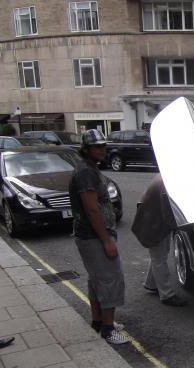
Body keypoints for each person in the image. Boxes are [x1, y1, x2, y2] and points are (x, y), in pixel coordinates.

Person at [69, 129, 129, 345]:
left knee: (97, 281)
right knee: (110, 280)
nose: (102, 150)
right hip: (94, 237)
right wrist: (106, 241)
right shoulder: (86, 172)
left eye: (103, 145)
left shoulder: (88, 168)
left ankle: (98, 322)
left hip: (91, 236)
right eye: (97, 146)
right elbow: (92, 209)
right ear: (86, 149)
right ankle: (108, 329)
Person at [131, 174, 187, 307]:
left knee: (159, 255)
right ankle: (166, 295)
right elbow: (168, 212)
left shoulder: (166, 173)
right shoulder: (169, 180)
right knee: (159, 258)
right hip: (153, 220)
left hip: (154, 217)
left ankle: (151, 283)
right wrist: (180, 227)